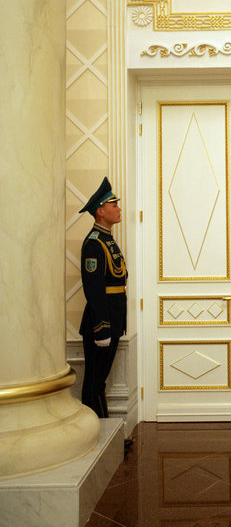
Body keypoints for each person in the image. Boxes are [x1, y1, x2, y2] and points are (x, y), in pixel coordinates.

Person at [79, 177, 127, 419]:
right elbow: (94, 290)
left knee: (100, 380)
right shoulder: (94, 244)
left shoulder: (107, 239)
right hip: (103, 323)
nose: (119, 209)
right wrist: (102, 329)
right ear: (100, 210)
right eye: (114, 205)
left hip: (114, 319)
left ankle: (106, 433)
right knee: (94, 382)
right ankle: (97, 431)